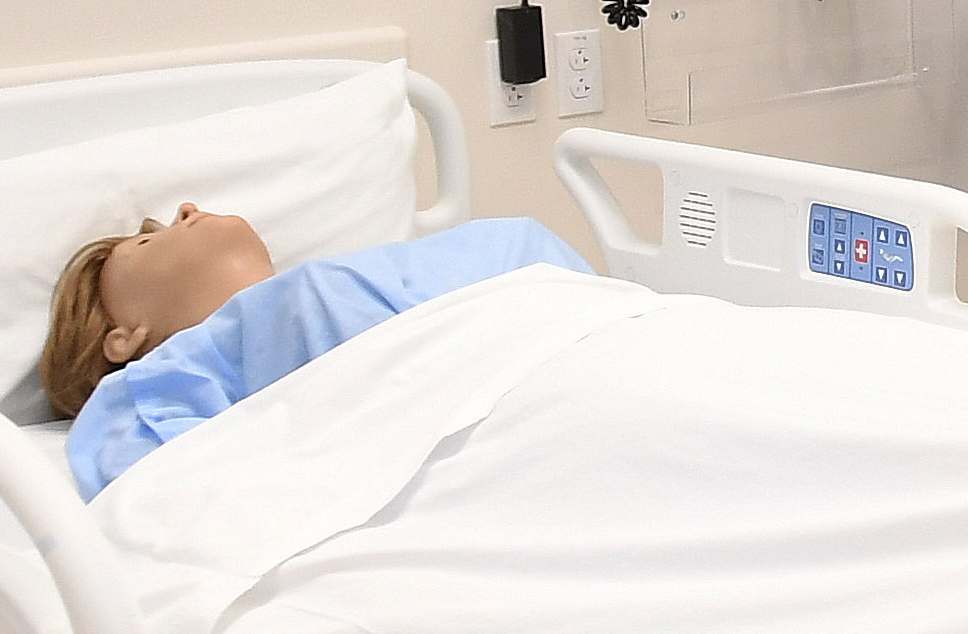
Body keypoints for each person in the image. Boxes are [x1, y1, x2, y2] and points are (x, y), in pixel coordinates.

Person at [40, 203, 587, 496]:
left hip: (581, 361)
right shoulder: (156, 388)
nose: (187, 209)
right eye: (146, 241)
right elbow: (177, 496)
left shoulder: (352, 275)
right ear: (124, 337)